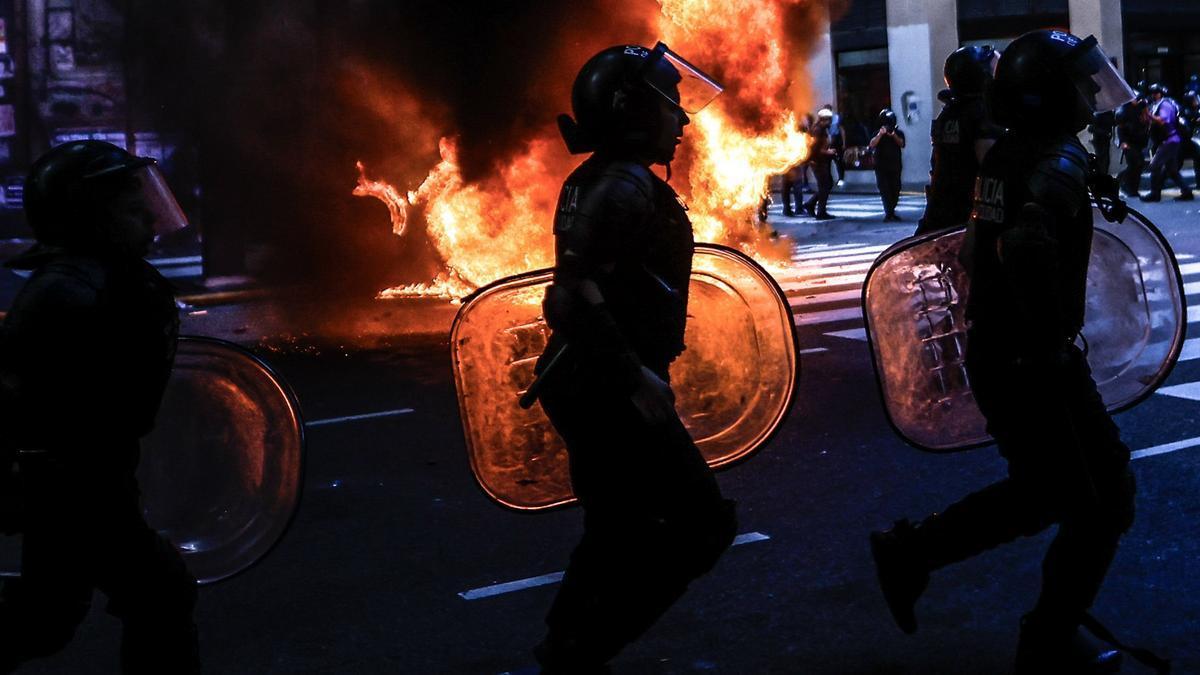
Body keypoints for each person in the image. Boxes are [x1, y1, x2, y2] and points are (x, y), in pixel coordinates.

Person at [870, 30, 1148, 673]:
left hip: (1003, 349)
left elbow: (972, 251)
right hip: (1032, 356)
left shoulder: (1006, 158)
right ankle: (1048, 638)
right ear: (1048, 95)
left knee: (1054, 491)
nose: (1089, 92)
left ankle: (915, 552)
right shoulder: (1055, 160)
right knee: (1102, 500)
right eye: (1078, 83)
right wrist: (1047, 337)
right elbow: (1021, 248)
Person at [533, 43, 737, 673]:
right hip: (606, 387)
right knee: (704, 523)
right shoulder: (620, 184)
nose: (681, 119)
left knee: (614, 528)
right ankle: (580, 654)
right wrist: (636, 378)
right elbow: (569, 295)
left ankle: (566, 650)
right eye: (670, 104)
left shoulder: (607, 178)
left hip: (594, 380)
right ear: (632, 110)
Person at [0, 141, 199, 673]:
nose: (151, 220)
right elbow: (31, 403)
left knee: (44, 621)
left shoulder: (106, 277)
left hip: (91, 477)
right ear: (89, 215)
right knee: (159, 594)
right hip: (74, 484)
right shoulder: (69, 292)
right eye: (133, 209)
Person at [916, 45, 1001, 236]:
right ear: (983, 77)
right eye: (997, 71)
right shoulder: (982, 115)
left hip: (941, 218)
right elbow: (994, 168)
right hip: (968, 225)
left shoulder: (950, 113)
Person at [1143, 83, 1194, 201]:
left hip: (1169, 140)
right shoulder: (1157, 105)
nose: (1153, 96)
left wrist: (1148, 114)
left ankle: (1155, 194)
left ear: (1161, 93)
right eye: (1152, 93)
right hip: (1168, 140)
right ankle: (1187, 192)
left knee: (1154, 166)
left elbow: (1163, 121)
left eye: (1155, 93)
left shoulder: (1165, 104)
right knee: (1172, 170)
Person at [869, 108, 906, 221]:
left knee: (895, 188)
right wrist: (880, 134)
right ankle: (889, 213)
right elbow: (872, 144)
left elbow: (902, 144)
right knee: (885, 190)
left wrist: (893, 135)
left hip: (895, 165)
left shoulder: (898, 132)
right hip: (881, 165)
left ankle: (892, 210)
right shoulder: (877, 133)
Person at [804, 108, 838, 220]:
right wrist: (828, 152)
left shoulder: (822, 129)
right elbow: (814, 148)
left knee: (827, 185)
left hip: (822, 161)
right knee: (824, 186)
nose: (829, 122)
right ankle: (820, 212)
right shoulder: (817, 130)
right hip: (818, 162)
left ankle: (811, 204)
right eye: (828, 120)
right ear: (823, 120)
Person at [1116, 97, 1150, 197]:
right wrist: (1123, 142)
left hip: (1138, 141)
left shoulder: (1140, 109)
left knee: (1139, 165)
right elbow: (1120, 128)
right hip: (1129, 143)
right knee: (1135, 164)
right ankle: (1124, 181)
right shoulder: (1124, 111)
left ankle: (1133, 188)